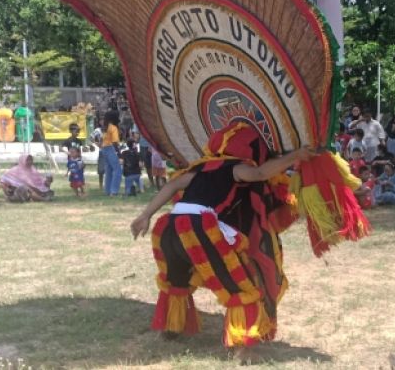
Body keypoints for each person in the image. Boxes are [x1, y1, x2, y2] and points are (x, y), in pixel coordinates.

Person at [129, 123, 316, 355]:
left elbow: (172, 185)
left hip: (169, 227)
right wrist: (296, 155)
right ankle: (242, 342)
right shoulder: (236, 168)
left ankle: (171, 327)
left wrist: (145, 215)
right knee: (240, 284)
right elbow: (259, 174)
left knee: (177, 280)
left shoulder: (202, 167)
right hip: (199, 227)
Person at [101, 110, 123, 196]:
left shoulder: (106, 127)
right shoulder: (114, 128)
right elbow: (114, 142)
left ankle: (108, 190)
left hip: (104, 149)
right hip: (111, 149)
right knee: (118, 170)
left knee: (109, 171)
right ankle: (114, 191)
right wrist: (119, 154)